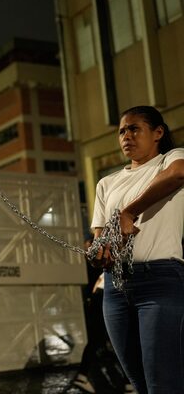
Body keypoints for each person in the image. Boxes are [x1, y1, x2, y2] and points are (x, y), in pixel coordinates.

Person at [90, 105, 184, 394]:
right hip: (115, 288)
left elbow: (178, 175)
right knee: (139, 383)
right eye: (121, 131)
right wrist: (99, 253)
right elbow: (99, 236)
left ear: (158, 132)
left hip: (160, 280)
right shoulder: (106, 183)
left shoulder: (171, 159)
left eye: (134, 129)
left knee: (162, 384)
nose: (126, 136)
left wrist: (129, 212)